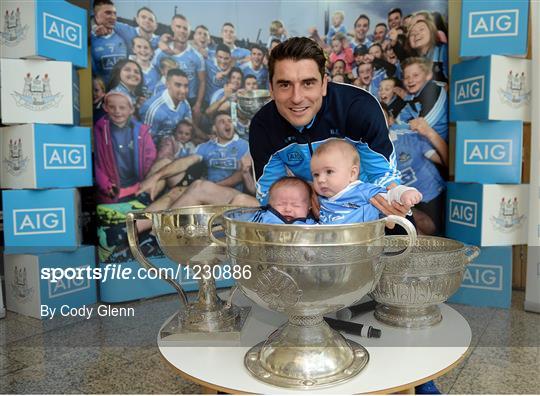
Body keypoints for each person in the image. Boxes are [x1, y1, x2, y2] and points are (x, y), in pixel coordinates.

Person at [248, 37, 409, 219]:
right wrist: (306, 192)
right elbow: (274, 196)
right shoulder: (263, 126)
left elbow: (383, 175)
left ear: (324, 84)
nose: (297, 98)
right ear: (271, 88)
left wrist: (388, 206)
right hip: (311, 210)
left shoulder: (359, 107)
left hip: (367, 205)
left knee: (399, 224)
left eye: (308, 83)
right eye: (285, 85)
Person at [311, 139, 421, 224]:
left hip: (361, 244)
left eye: (329, 171)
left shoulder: (362, 190)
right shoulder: (322, 199)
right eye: (316, 174)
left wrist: (403, 193)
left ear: (352, 173)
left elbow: (389, 196)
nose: (320, 180)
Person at [381, 103, 447, 236]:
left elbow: (447, 162)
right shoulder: (360, 149)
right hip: (400, 202)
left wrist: (430, 133)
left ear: (390, 120)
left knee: (425, 226)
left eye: (379, 116)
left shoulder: (409, 137)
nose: (375, 121)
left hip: (432, 198)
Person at [94, 92, 156, 204]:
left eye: (122, 107)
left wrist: (145, 180)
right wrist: (105, 185)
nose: (117, 111)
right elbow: (96, 163)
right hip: (113, 189)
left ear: (131, 110)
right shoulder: (99, 130)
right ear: (105, 107)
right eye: (112, 107)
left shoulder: (142, 131)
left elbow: (150, 156)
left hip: (138, 187)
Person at [154, 14, 205, 123]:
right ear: (172, 27)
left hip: (190, 99)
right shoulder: (160, 53)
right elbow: (153, 74)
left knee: (187, 133)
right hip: (167, 99)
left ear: (189, 32)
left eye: (185, 28)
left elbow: (202, 81)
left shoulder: (197, 56)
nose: (182, 31)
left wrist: (198, 104)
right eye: (178, 27)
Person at [398, 57, 448, 141]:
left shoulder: (434, 91)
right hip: (421, 142)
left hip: (437, 147)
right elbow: (398, 120)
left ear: (428, 76)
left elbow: (421, 127)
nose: (410, 80)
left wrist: (401, 127)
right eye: (406, 77)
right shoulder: (412, 96)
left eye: (415, 75)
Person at [139, 69, 192, 145]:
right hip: (155, 149)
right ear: (167, 84)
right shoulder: (153, 109)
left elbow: (189, 127)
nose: (183, 91)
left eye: (186, 86)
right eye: (178, 85)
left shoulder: (184, 103)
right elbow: (145, 142)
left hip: (175, 143)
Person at [251, 177, 317, 224]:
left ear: (309, 207)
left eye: (296, 205)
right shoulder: (263, 217)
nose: (288, 209)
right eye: (280, 204)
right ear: (270, 204)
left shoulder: (311, 225)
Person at [91, 0, 128, 84]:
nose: (113, 17)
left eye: (114, 13)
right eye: (108, 13)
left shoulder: (123, 36)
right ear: (96, 16)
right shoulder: (89, 40)